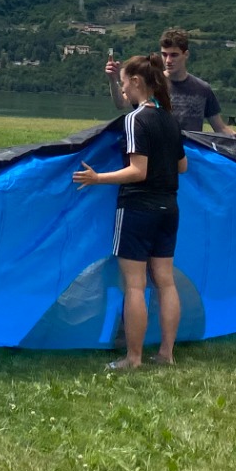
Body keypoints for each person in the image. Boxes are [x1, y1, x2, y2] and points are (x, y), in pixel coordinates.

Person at [73, 53, 187, 370]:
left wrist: (98, 178)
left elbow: (138, 170)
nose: (122, 89)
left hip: (139, 207)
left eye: (123, 82)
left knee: (135, 285)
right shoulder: (169, 119)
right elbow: (183, 166)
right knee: (165, 281)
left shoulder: (136, 120)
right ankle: (167, 353)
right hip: (169, 207)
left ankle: (133, 358)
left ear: (136, 82)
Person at [107, 28, 230, 134]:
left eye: (174, 55)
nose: (168, 60)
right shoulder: (151, 82)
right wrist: (113, 80)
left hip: (191, 156)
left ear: (185, 54)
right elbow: (121, 104)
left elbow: (221, 128)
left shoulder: (203, 89)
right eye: (164, 55)